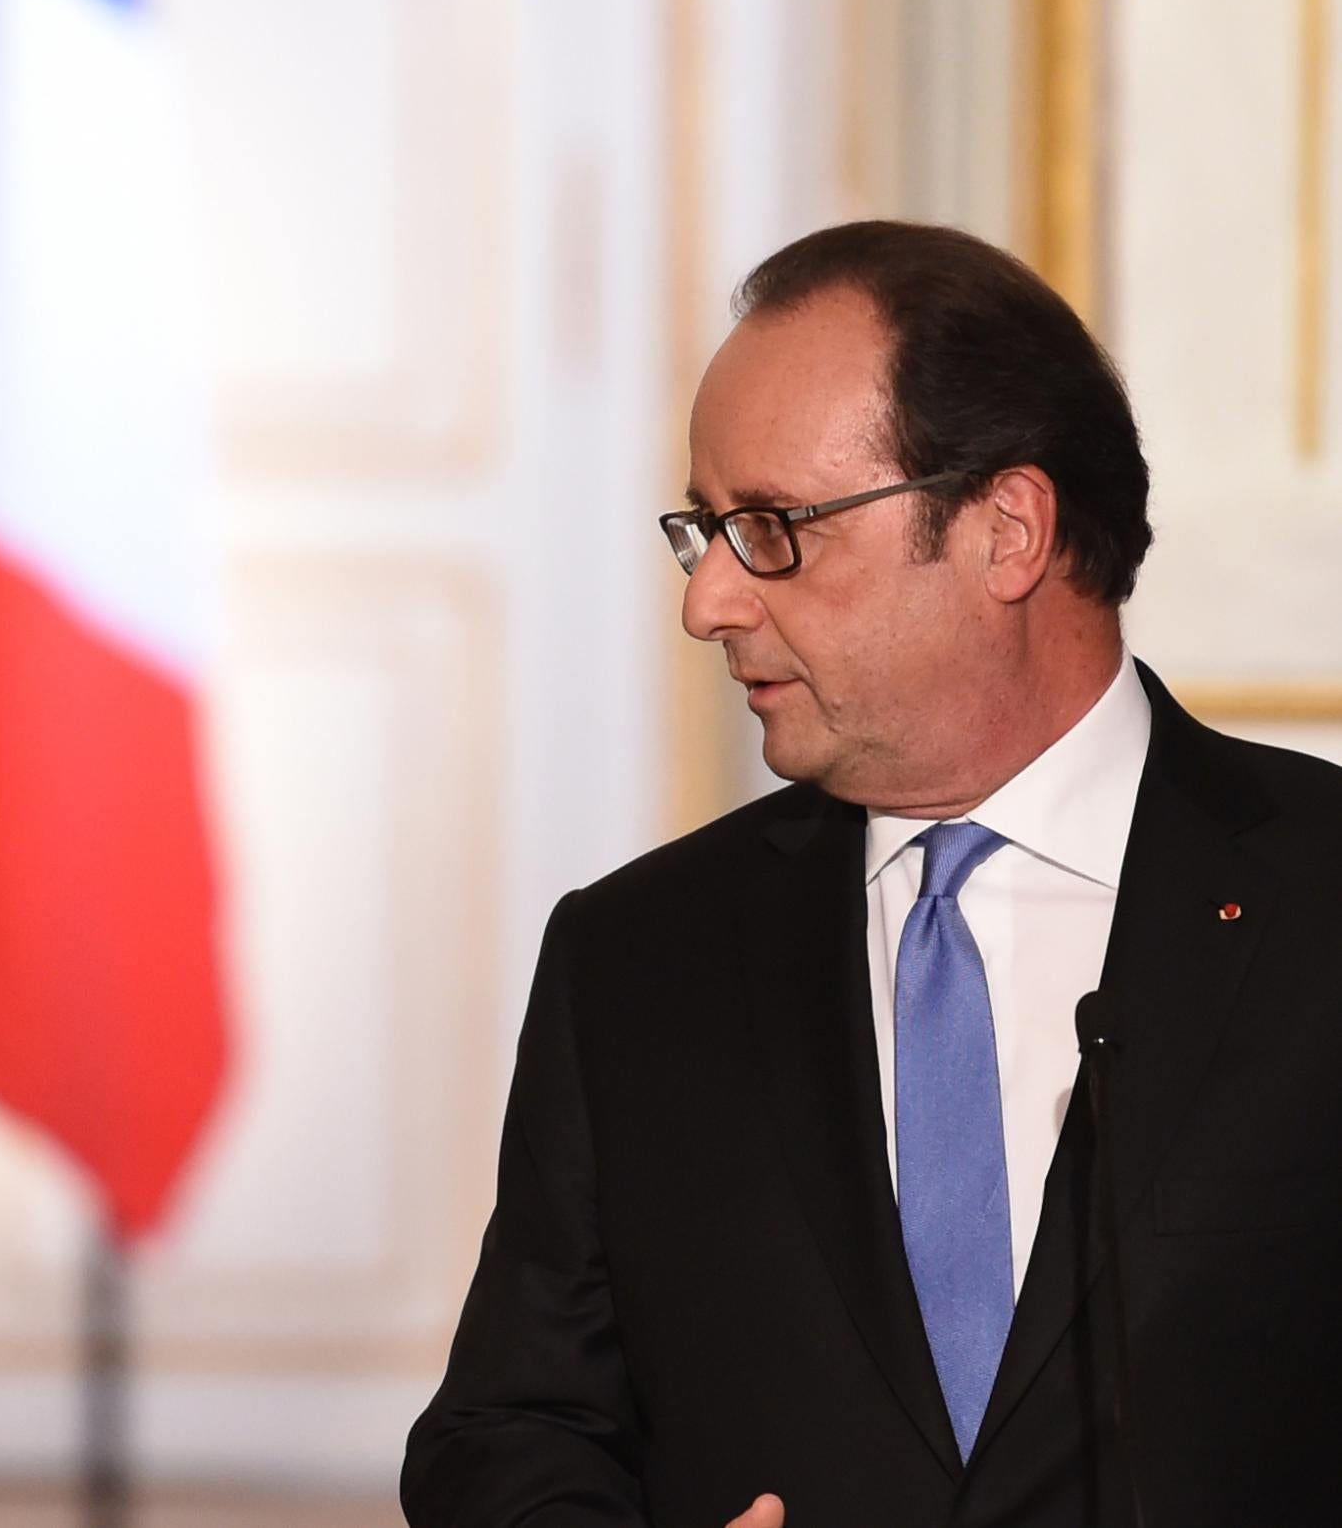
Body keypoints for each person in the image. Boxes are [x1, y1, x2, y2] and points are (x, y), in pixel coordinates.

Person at [403, 220, 1342, 1526]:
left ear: (1007, 532)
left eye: (775, 528)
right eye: (705, 532)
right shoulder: (637, 959)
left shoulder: (1320, 904)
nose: (709, 603)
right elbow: (509, 1433)